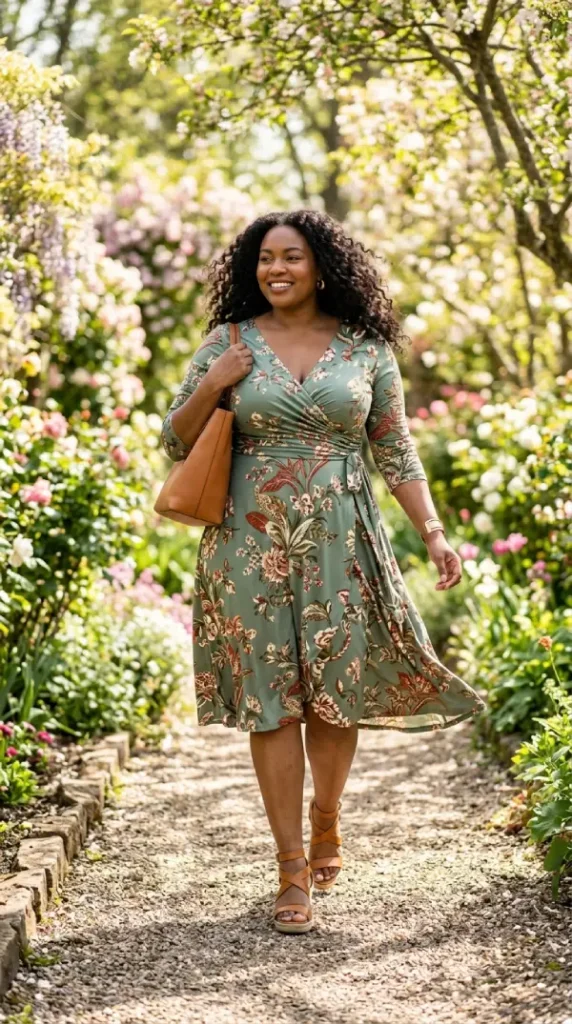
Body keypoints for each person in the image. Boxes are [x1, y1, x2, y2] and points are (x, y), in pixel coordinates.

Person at [160, 210, 486, 934]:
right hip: (249, 543)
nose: (276, 270)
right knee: (272, 699)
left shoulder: (366, 349)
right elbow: (172, 440)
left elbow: (394, 448)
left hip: (344, 538)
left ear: (322, 266)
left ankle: (327, 819)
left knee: (335, 693)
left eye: (292, 258)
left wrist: (432, 532)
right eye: (265, 259)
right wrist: (213, 382)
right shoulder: (227, 343)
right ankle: (291, 868)